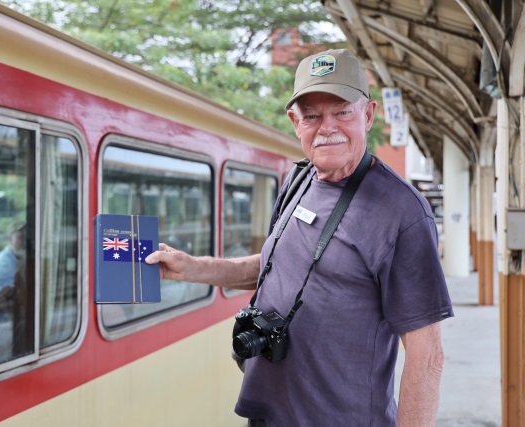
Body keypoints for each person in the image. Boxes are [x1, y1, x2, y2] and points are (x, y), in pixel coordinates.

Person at [146, 49, 453, 426]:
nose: (327, 127)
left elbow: (427, 357)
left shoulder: (402, 212)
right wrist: (193, 268)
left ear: (368, 115)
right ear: (296, 122)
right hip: (267, 414)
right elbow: (277, 264)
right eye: (312, 116)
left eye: (342, 111)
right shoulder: (298, 180)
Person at [0, 220, 26, 295]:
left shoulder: (19, 258)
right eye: (21, 238)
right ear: (10, 239)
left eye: (27, 238)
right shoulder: (3, 263)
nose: (25, 242)